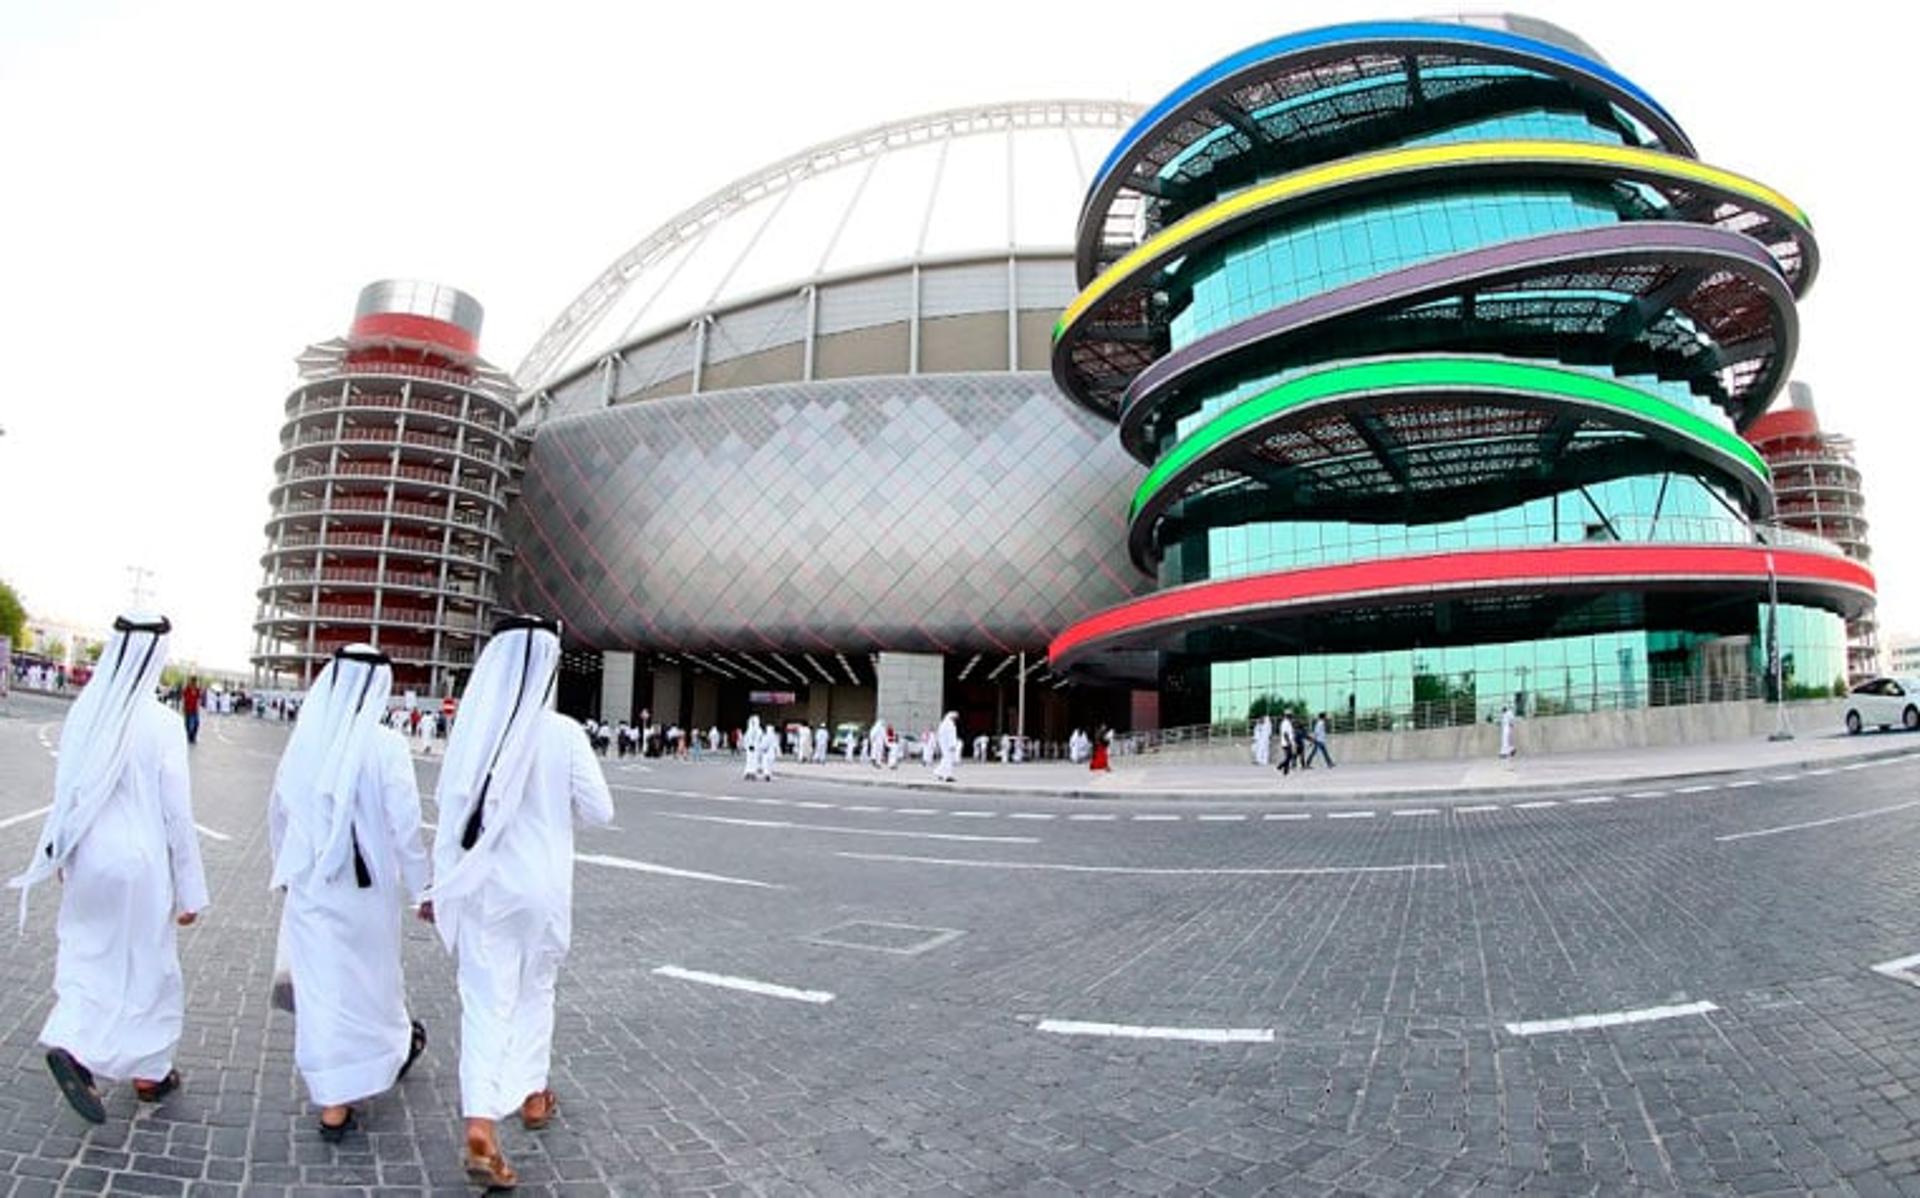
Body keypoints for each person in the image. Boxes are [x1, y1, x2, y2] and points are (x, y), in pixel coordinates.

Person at [424, 614, 613, 1189]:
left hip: (485, 889)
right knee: (537, 990)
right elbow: (601, 810)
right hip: (544, 891)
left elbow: (450, 816)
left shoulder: (472, 732)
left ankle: (481, 1124)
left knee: (487, 1001)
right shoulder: (563, 733)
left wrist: (438, 886)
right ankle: (532, 1097)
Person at [10, 614, 209, 1125]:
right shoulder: (162, 724)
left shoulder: (86, 712)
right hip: (143, 866)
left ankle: (74, 1044)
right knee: (149, 964)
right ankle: (150, 1074)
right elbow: (177, 815)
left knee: (88, 955)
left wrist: (61, 855)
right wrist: (192, 892)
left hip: (91, 860)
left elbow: (66, 794)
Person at [267, 645, 429, 1142]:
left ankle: (333, 1102)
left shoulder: (306, 742)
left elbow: (280, 813)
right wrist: (424, 887)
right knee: (372, 982)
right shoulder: (386, 746)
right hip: (367, 893)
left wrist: (287, 870)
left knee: (323, 991)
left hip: (313, 888)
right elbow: (405, 826)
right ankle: (381, 1056)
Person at [934, 712, 960, 782]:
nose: (955, 720)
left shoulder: (943, 724)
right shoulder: (950, 725)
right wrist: (952, 745)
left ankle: (939, 773)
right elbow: (951, 736)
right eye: (954, 718)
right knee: (948, 760)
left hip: (944, 745)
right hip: (948, 746)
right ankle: (947, 776)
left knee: (945, 759)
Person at [181, 675, 202, 746]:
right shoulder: (187, 689)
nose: (195, 683)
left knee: (196, 723)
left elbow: (199, 699)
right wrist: (183, 707)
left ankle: (193, 737)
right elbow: (184, 699)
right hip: (188, 709)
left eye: (195, 682)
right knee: (189, 724)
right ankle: (190, 737)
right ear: (191, 682)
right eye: (193, 681)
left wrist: (198, 708)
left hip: (195, 710)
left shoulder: (197, 689)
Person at [741, 715, 763, 781]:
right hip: (751, 748)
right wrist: (746, 746)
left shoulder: (758, 731)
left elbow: (760, 739)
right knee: (750, 760)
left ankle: (752, 772)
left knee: (754, 760)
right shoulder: (750, 731)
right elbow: (745, 739)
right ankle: (749, 772)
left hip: (755, 748)